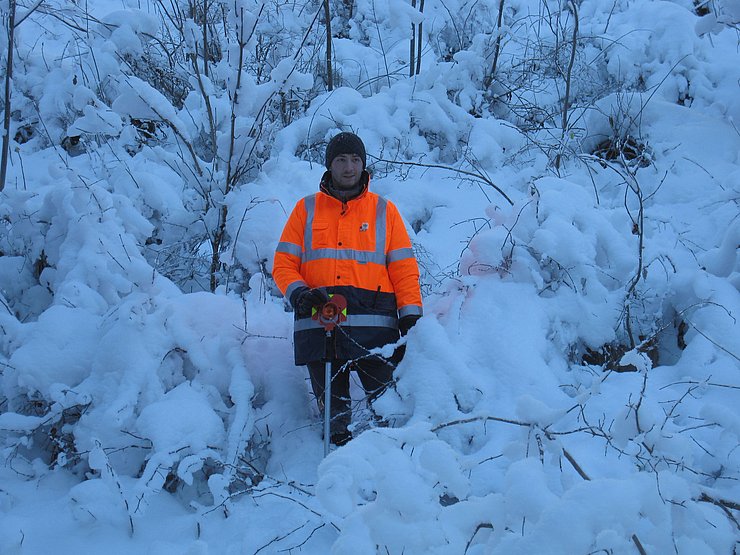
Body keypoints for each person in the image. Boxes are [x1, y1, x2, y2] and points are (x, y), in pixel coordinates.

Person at [272, 131, 423, 446]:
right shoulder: (306, 209)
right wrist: (299, 293)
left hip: (377, 330)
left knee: (389, 413)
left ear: (364, 164)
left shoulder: (384, 211)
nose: (349, 167)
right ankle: (337, 478)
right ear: (329, 165)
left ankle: (394, 469)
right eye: (341, 160)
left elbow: (404, 268)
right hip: (320, 326)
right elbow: (284, 264)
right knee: (335, 422)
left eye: (355, 159)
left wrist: (410, 315)